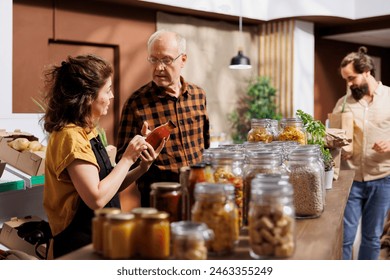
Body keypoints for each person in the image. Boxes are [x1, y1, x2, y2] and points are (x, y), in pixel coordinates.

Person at [42, 54, 165, 259]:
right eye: (107, 90)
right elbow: (96, 198)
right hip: (78, 247)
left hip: (100, 237)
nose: (112, 96)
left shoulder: (88, 131)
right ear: (88, 96)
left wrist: (141, 167)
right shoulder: (70, 137)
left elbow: (108, 187)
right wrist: (126, 159)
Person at [116, 30, 210, 207]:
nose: (158, 68)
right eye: (153, 60)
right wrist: (141, 149)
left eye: (166, 60)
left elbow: (205, 146)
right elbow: (122, 161)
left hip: (198, 195)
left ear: (183, 59)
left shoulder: (199, 95)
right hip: (158, 200)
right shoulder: (136, 103)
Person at [332, 46, 390, 260]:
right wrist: (339, 147)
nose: (348, 84)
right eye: (345, 79)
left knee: (372, 238)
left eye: (352, 78)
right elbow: (332, 134)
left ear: (367, 71)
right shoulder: (344, 103)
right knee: (345, 238)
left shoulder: (389, 98)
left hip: (383, 179)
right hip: (351, 179)